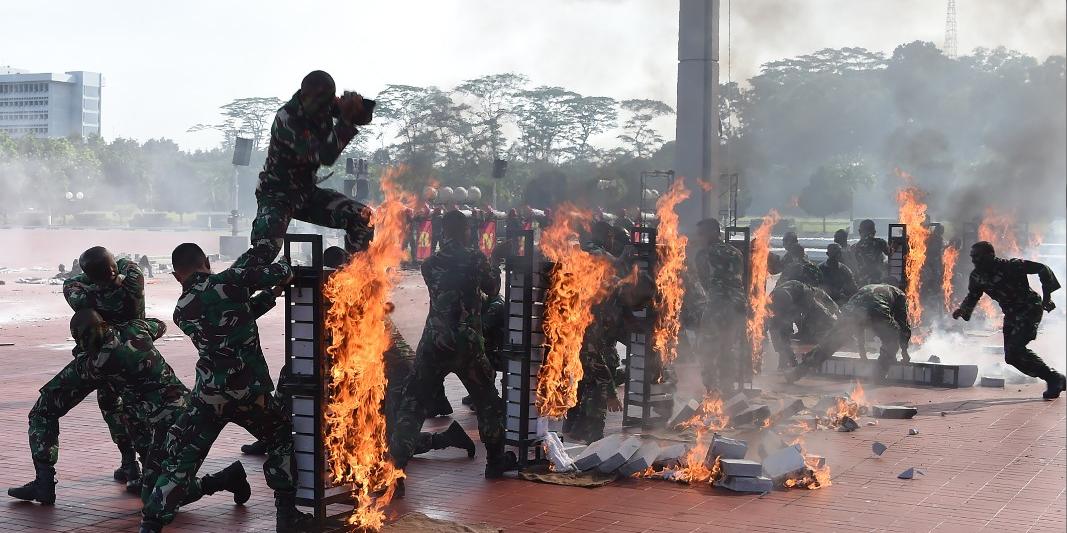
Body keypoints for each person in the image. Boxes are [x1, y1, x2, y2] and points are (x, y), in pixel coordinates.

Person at [140, 243, 308, 533]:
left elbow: (227, 324)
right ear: (207, 261)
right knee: (280, 436)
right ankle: (286, 514)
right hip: (249, 393)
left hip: (209, 395)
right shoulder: (229, 281)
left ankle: (152, 523)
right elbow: (278, 273)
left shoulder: (182, 311)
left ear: (177, 276)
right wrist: (282, 273)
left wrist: (266, 298)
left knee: (183, 459)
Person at [7, 311, 249, 509]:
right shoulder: (136, 329)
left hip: (172, 426)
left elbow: (52, 397)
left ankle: (226, 479)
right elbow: (159, 326)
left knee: (156, 497)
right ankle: (160, 475)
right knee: (154, 483)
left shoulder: (95, 364)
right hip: (183, 414)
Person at [391, 211, 516, 482]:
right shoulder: (475, 259)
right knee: (488, 403)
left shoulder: (429, 263)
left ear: (444, 232)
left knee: (412, 406)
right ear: (466, 231)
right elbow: (493, 289)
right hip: (467, 343)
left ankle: (395, 470)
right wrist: (494, 258)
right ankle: (495, 462)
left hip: (434, 342)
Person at [249, 70, 375, 264]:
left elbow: (363, 119)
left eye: (327, 105)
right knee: (264, 252)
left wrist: (358, 106)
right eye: (320, 106)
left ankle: (355, 280)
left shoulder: (323, 104)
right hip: (277, 195)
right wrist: (346, 119)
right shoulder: (287, 118)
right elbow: (325, 155)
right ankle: (221, 289)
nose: (324, 111)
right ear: (304, 96)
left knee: (363, 218)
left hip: (306, 193)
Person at [62, 246, 147, 489]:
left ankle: (130, 464)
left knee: (112, 407)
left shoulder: (83, 295)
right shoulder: (133, 279)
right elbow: (127, 263)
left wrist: (94, 281)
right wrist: (114, 278)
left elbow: (72, 283)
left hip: (103, 358)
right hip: (137, 352)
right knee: (134, 408)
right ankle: (144, 467)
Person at [951, 241, 1065, 400]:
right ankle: (1054, 377)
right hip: (1011, 315)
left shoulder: (1012, 266)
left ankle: (1053, 379)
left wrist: (1047, 298)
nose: (974, 260)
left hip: (1029, 309)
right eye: (972, 257)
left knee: (1016, 348)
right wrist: (963, 310)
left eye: (978, 256)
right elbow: (973, 295)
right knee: (1011, 357)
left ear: (990, 255)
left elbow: (1043, 268)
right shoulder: (977, 276)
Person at [790, 284, 911, 383]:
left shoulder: (868, 287)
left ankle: (799, 371)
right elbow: (904, 327)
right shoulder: (900, 295)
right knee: (892, 338)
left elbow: (858, 324)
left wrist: (862, 353)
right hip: (877, 308)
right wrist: (904, 353)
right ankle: (878, 376)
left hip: (850, 309)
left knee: (830, 342)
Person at [692, 218, 746, 392]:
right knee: (728, 347)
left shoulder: (704, 254)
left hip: (718, 305)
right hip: (738, 306)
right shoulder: (736, 252)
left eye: (701, 234)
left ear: (713, 233)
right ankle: (727, 387)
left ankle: (711, 389)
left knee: (706, 347)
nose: (699, 238)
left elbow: (704, 282)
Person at [768, 280, 840, 370]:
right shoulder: (772, 301)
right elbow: (777, 331)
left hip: (801, 298)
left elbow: (798, 317)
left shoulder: (805, 296)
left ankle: (838, 328)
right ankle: (786, 362)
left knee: (819, 318)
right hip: (789, 302)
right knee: (780, 333)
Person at [851, 219, 889, 286]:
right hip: (877, 281)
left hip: (861, 282)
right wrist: (895, 245)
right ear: (874, 232)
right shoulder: (880, 243)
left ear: (860, 231)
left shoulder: (854, 247)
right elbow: (890, 253)